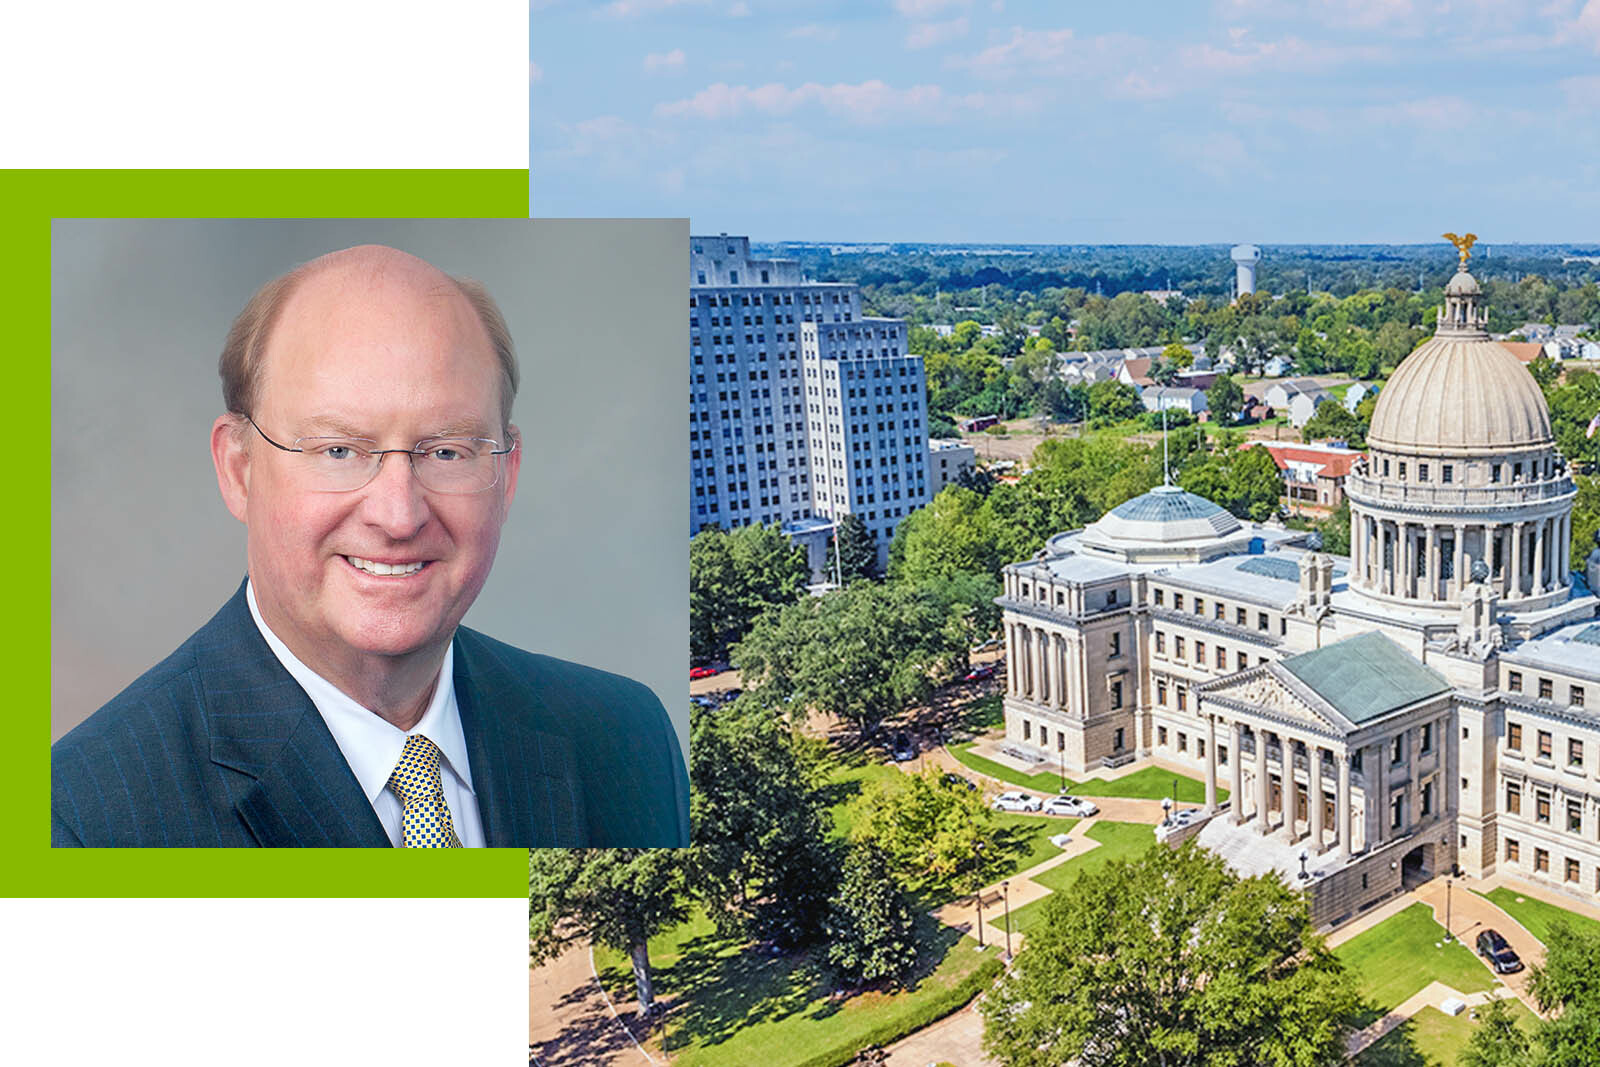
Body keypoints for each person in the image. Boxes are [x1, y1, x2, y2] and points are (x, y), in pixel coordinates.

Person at [51, 245, 689, 848]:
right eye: (338, 451)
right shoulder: (82, 816)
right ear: (238, 469)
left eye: (445, 452)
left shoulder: (624, 740)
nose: (398, 515)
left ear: (507, 473)